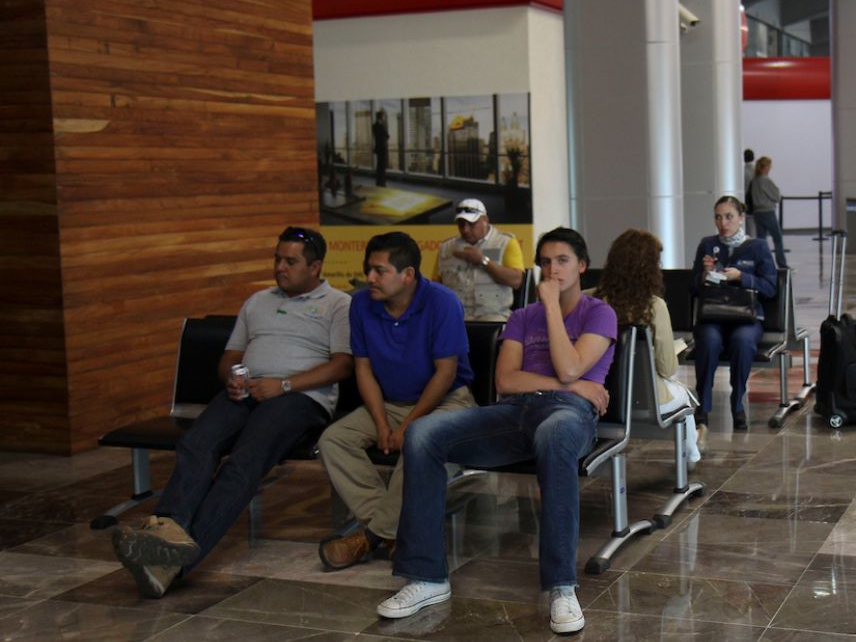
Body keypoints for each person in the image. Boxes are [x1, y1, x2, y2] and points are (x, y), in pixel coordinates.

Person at [376, 227, 616, 635]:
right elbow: (505, 381)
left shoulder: (599, 313)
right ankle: (427, 577)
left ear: (582, 266)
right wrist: (571, 383)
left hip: (568, 416)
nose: (551, 270)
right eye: (544, 262)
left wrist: (554, 313)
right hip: (515, 412)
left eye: (561, 261)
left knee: (555, 433)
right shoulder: (522, 317)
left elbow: (571, 365)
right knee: (422, 435)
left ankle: (561, 586)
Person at [110, 227, 352, 598]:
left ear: (315, 266)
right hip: (247, 392)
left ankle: (175, 562)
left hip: (299, 398)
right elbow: (229, 357)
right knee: (196, 444)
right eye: (277, 259)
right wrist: (232, 380)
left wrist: (284, 385)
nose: (280, 268)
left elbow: (341, 366)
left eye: (291, 262)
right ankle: (165, 533)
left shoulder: (338, 304)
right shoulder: (257, 301)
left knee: (243, 462)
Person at [317, 232, 477, 569]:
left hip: (447, 402)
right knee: (333, 440)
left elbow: (446, 373)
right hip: (389, 402)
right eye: (368, 269)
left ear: (408, 275)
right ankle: (392, 533)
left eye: (379, 271)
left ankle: (369, 538)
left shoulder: (442, 302)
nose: (370, 278)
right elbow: (363, 369)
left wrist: (407, 425)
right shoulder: (361, 304)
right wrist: (380, 422)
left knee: (418, 445)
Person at [594, 229, 701, 468]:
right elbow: (666, 367)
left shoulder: (589, 300)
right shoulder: (654, 307)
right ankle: (691, 456)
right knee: (684, 396)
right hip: (645, 400)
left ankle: (693, 451)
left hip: (600, 396)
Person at [690, 196, 777, 437]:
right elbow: (693, 288)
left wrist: (742, 277)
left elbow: (770, 287)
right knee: (708, 340)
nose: (723, 222)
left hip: (745, 316)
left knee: (743, 341)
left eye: (729, 216)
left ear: (741, 218)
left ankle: (737, 402)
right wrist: (705, 275)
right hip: (713, 314)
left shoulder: (757, 247)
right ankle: (703, 407)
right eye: (718, 217)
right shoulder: (707, 245)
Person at [432, 198, 525, 321]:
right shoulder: (446, 247)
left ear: (485, 220)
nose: (465, 230)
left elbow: (517, 280)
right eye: (461, 224)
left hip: (493, 316)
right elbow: (435, 287)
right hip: (455, 316)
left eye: (471, 224)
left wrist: (483, 261)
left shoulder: (505, 242)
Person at [748, 156, 787, 268]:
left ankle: (761, 263)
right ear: (765, 167)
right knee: (777, 238)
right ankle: (781, 263)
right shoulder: (765, 180)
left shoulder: (754, 180)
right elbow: (776, 196)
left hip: (757, 213)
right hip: (768, 212)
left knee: (761, 239)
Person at [372, 111, 389, 187]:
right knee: (382, 165)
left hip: (378, 148)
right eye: (383, 116)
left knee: (379, 165)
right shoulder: (381, 126)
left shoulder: (374, 126)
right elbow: (387, 136)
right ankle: (382, 181)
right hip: (383, 148)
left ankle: (378, 181)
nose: (383, 118)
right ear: (381, 117)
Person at [743, 149, 756, 237]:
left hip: (746, 201)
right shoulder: (756, 171)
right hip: (757, 201)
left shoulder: (742, 171)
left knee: (749, 227)